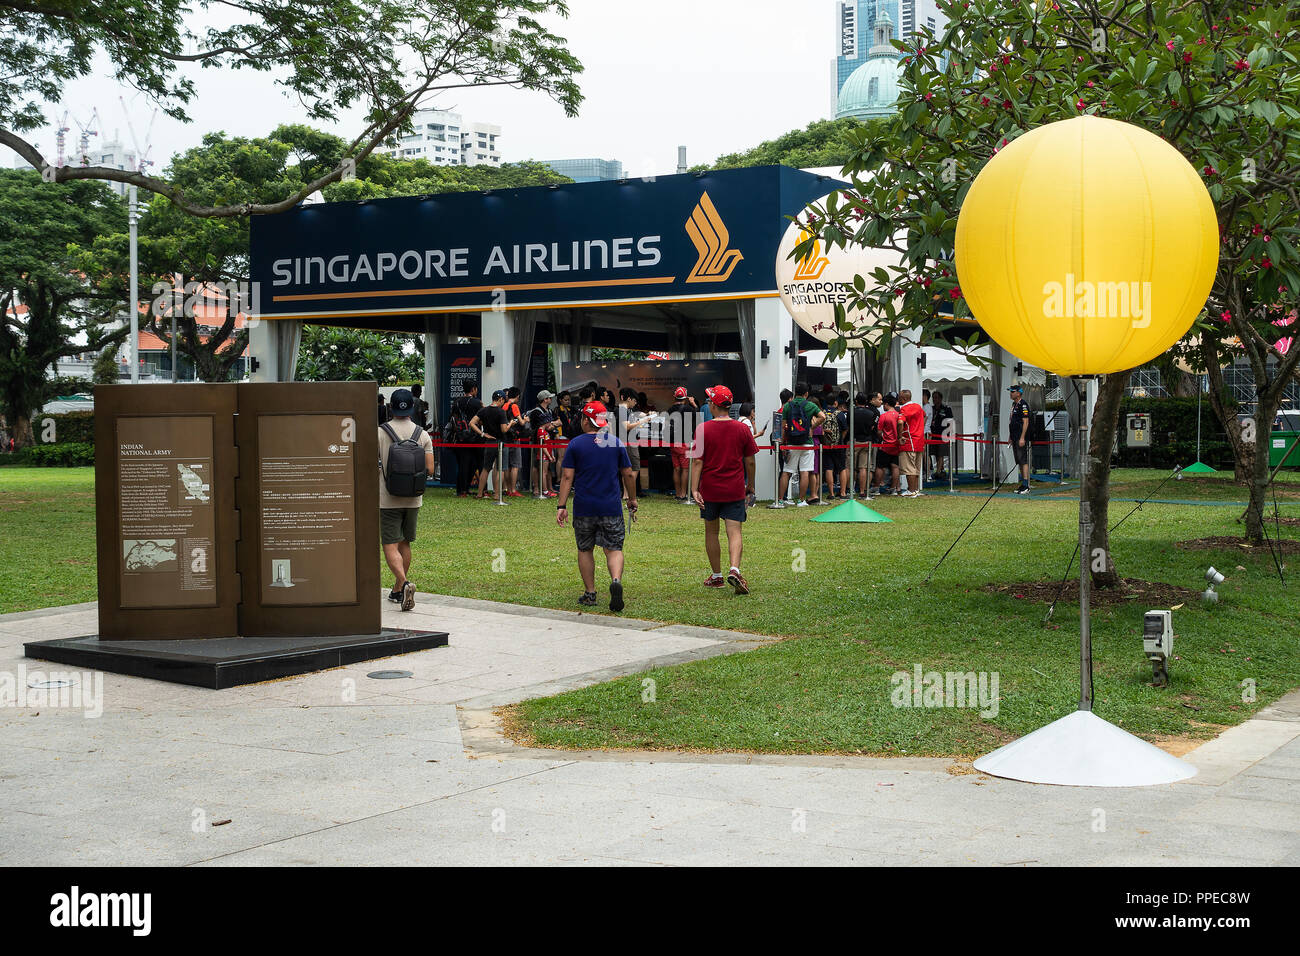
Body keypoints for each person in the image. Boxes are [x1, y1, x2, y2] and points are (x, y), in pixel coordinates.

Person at [556, 401, 637, 611]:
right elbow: (627, 473)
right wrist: (632, 499)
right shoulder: (615, 442)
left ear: (585, 420)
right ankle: (616, 581)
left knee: (585, 549)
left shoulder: (575, 444)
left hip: (584, 507)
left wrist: (561, 505)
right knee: (613, 549)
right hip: (610, 506)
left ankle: (590, 593)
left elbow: (567, 476)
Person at [689, 385, 758, 595]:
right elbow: (750, 461)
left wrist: (694, 489)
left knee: (711, 531)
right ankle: (735, 570)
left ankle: (717, 576)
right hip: (734, 488)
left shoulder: (703, 429)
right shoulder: (742, 429)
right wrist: (751, 485)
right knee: (734, 531)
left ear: (712, 404)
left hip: (710, 488)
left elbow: (698, 462)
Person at [378, 388, 434, 611]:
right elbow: (429, 468)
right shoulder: (422, 434)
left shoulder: (380, 432)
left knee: (390, 544)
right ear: (412, 408)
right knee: (405, 543)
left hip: (387, 498)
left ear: (391, 407)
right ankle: (398, 589)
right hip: (413, 498)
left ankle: (405, 583)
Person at [776, 382, 825, 508]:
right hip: (807, 443)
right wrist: (811, 427)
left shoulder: (787, 406)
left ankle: (780, 500)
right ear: (806, 393)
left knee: (786, 471)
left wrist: (782, 443)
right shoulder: (810, 405)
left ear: (795, 392)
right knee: (804, 472)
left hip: (792, 443)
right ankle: (801, 500)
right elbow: (822, 417)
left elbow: (783, 426)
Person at [469, 390, 511, 499]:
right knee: (500, 469)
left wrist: (483, 434)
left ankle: (479, 494)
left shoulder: (484, 410)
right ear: (501, 399)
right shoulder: (501, 412)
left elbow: (472, 423)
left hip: (489, 442)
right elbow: (504, 429)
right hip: (501, 442)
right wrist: (511, 423)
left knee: (486, 468)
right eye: (503, 400)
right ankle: (497, 495)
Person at [665, 386, 699, 503]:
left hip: (673, 443)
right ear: (685, 398)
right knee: (685, 469)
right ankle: (683, 494)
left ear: (675, 397)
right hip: (685, 442)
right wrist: (694, 404)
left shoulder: (669, 410)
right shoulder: (689, 409)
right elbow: (698, 420)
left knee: (676, 469)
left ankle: (678, 493)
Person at [448, 384, 482, 498]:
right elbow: (481, 420)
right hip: (474, 437)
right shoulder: (477, 403)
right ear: (473, 389)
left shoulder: (456, 402)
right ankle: (465, 488)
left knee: (462, 464)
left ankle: (461, 490)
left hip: (459, 437)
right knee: (474, 464)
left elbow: (452, 418)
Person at [618, 387, 653, 497]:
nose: (635, 403)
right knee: (634, 467)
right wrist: (642, 421)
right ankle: (627, 493)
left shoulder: (625, 409)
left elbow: (637, 414)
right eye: (634, 401)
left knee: (626, 468)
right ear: (629, 399)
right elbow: (626, 427)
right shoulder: (623, 410)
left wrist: (647, 415)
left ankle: (626, 494)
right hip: (628, 442)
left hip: (625, 442)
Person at [528, 390, 562, 497]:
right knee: (536, 465)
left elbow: (559, 422)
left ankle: (549, 487)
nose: (551, 400)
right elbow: (541, 427)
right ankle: (537, 488)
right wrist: (551, 425)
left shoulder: (550, 411)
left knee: (548, 466)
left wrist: (551, 424)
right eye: (549, 398)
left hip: (549, 440)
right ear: (545, 399)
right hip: (538, 441)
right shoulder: (536, 412)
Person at [897, 388, 926, 497]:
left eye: (899, 397)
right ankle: (916, 490)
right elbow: (924, 416)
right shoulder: (918, 407)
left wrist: (900, 436)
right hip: (919, 441)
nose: (898, 399)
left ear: (903, 398)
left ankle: (911, 490)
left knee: (909, 468)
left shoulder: (904, 409)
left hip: (909, 440)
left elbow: (900, 422)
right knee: (916, 467)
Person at [821, 392, 849, 499]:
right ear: (836, 403)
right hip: (839, 445)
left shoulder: (821, 413)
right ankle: (842, 492)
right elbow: (845, 429)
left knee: (828, 468)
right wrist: (839, 438)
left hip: (825, 445)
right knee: (842, 468)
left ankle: (831, 493)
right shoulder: (840, 414)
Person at [853, 392, 881, 498]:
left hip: (854, 441)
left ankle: (850, 489)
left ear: (856, 401)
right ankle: (863, 491)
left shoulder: (852, 412)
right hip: (868, 441)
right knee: (865, 468)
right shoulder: (872, 413)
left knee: (852, 467)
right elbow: (873, 427)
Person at [876, 393, 902, 495]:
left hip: (885, 445)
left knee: (880, 467)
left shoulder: (883, 416)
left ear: (886, 404)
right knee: (895, 466)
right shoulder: (899, 415)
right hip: (896, 444)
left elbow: (879, 431)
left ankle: (876, 487)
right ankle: (893, 488)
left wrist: (882, 438)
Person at [503, 386, 526, 497]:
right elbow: (521, 422)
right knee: (515, 464)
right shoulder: (514, 406)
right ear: (517, 396)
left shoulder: (504, 405)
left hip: (505, 437)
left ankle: (507, 488)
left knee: (506, 465)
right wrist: (525, 419)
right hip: (514, 438)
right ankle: (513, 490)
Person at [1009, 383, 1032, 494]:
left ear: (1018, 393)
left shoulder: (1023, 405)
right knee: (1018, 460)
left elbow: (1026, 421)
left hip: (1020, 437)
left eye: (1013, 392)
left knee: (1023, 460)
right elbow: (1012, 421)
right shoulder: (1014, 405)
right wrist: (1010, 436)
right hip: (1014, 437)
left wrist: (1022, 437)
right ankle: (1022, 483)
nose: (1011, 394)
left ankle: (1026, 484)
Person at [930, 390, 954, 480]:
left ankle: (938, 471)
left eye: (936, 397)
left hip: (943, 434)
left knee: (941, 453)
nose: (934, 399)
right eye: (933, 398)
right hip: (934, 433)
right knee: (935, 452)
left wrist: (949, 433)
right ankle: (942, 469)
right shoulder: (931, 409)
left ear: (940, 398)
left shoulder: (946, 408)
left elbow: (950, 421)